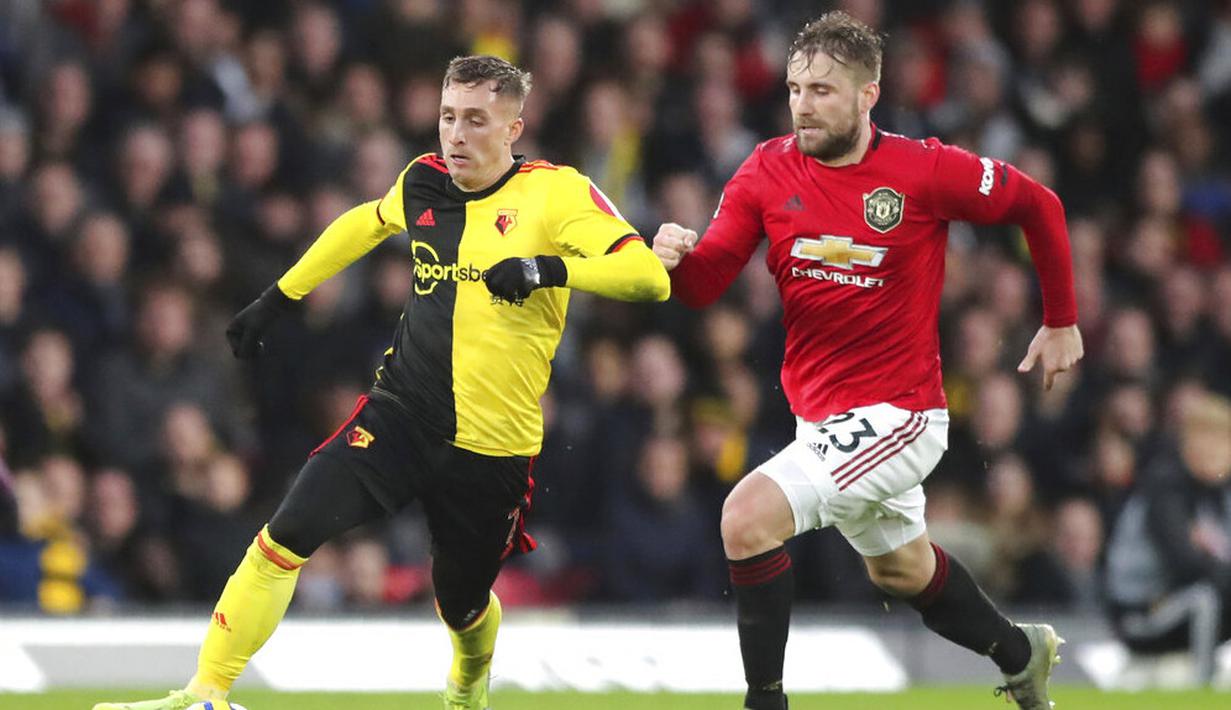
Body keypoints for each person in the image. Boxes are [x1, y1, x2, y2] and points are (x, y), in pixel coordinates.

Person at [94, 54, 669, 710]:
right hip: (400, 415)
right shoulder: (423, 183)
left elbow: (648, 277)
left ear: (512, 129)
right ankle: (207, 693)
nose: (455, 134)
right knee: (286, 533)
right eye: (448, 116)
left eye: (475, 120)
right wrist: (280, 296)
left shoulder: (556, 193)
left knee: (460, 602)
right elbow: (363, 224)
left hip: (492, 445)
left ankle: (469, 677)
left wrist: (547, 270)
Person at [651, 12, 1082, 710]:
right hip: (818, 419)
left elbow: (1039, 204)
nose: (802, 104)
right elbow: (704, 284)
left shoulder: (923, 170)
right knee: (901, 571)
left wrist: (1061, 321)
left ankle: (765, 703)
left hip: (900, 415)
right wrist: (667, 262)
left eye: (822, 90)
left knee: (744, 518)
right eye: (794, 88)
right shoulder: (765, 168)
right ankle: (1018, 652)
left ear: (866, 94)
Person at [1105, 392, 1231, 686]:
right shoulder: (1166, 487)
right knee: (1205, 598)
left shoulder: (1217, 495)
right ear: (1188, 441)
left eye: (1225, 441)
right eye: (1211, 439)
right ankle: (1203, 686)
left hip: (1179, 604)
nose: (1220, 451)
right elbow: (1184, 563)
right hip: (1141, 612)